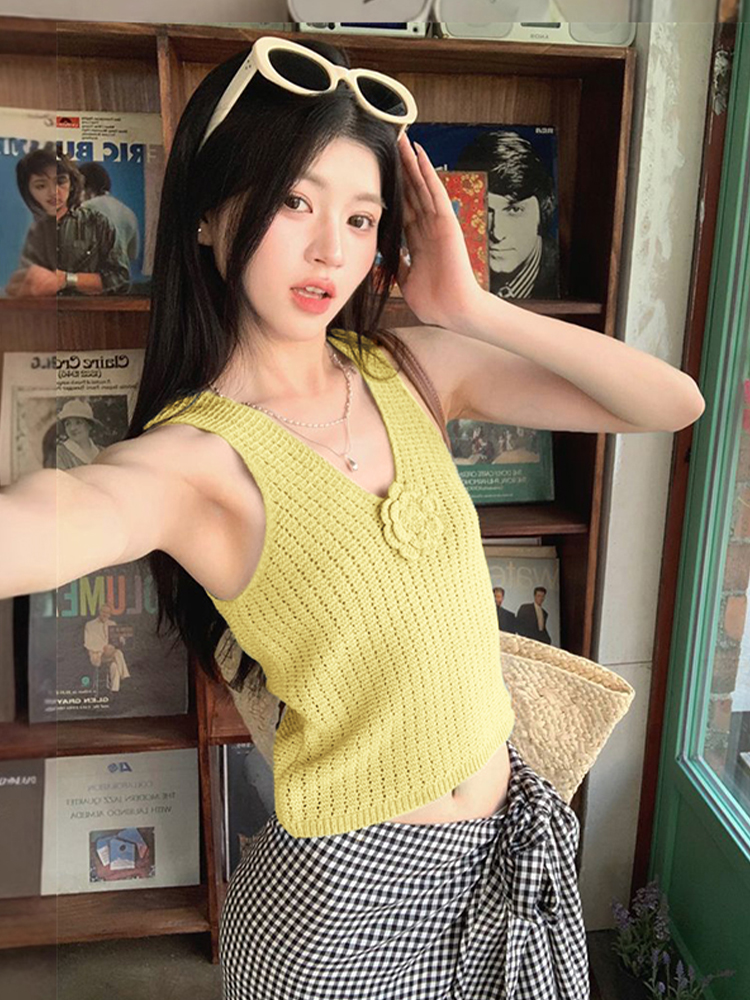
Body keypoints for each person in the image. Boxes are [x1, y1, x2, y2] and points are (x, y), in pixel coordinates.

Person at [0, 35, 706, 1000]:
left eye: (362, 217)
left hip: (508, 858)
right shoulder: (193, 463)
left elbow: (670, 403)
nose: (332, 250)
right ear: (209, 211)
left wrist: (471, 307)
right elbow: (53, 518)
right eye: (295, 203)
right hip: (347, 911)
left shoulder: (413, 369)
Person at [5, 145, 130, 297]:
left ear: (72, 184)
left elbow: (121, 279)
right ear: (29, 191)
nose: (53, 192)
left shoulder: (98, 222)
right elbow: (17, 287)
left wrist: (66, 279)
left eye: (60, 181)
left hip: (90, 310)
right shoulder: (34, 232)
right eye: (41, 185)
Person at [455, 129, 560, 300]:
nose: (497, 233)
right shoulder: (451, 268)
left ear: (542, 212)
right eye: (484, 210)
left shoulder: (563, 275)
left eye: (514, 210)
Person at [79, 162, 141, 275]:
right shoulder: (129, 213)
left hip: (92, 279)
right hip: (122, 279)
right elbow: (133, 254)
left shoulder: (84, 209)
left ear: (87, 188)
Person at [83, 601, 131, 693]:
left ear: (110, 614)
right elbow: (88, 643)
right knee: (118, 653)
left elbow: (117, 638)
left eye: (108, 613)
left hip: (110, 654)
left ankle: (114, 690)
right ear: (99, 612)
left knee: (114, 665)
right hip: (97, 655)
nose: (105, 614)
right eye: (103, 612)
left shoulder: (112, 623)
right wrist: (103, 648)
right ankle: (125, 676)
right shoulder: (90, 625)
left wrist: (121, 639)